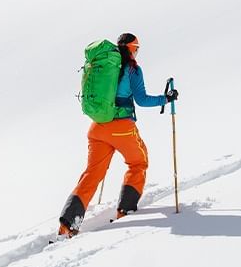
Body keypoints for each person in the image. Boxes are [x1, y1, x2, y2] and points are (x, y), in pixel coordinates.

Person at [58, 32, 175, 236]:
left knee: (92, 174)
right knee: (138, 162)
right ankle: (125, 211)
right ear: (131, 48)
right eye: (136, 49)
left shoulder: (105, 67)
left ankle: (67, 224)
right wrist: (165, 99)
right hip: (121, 128)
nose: (137, 53)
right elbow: (142, 100)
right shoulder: (132, 70)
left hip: (97, 127)